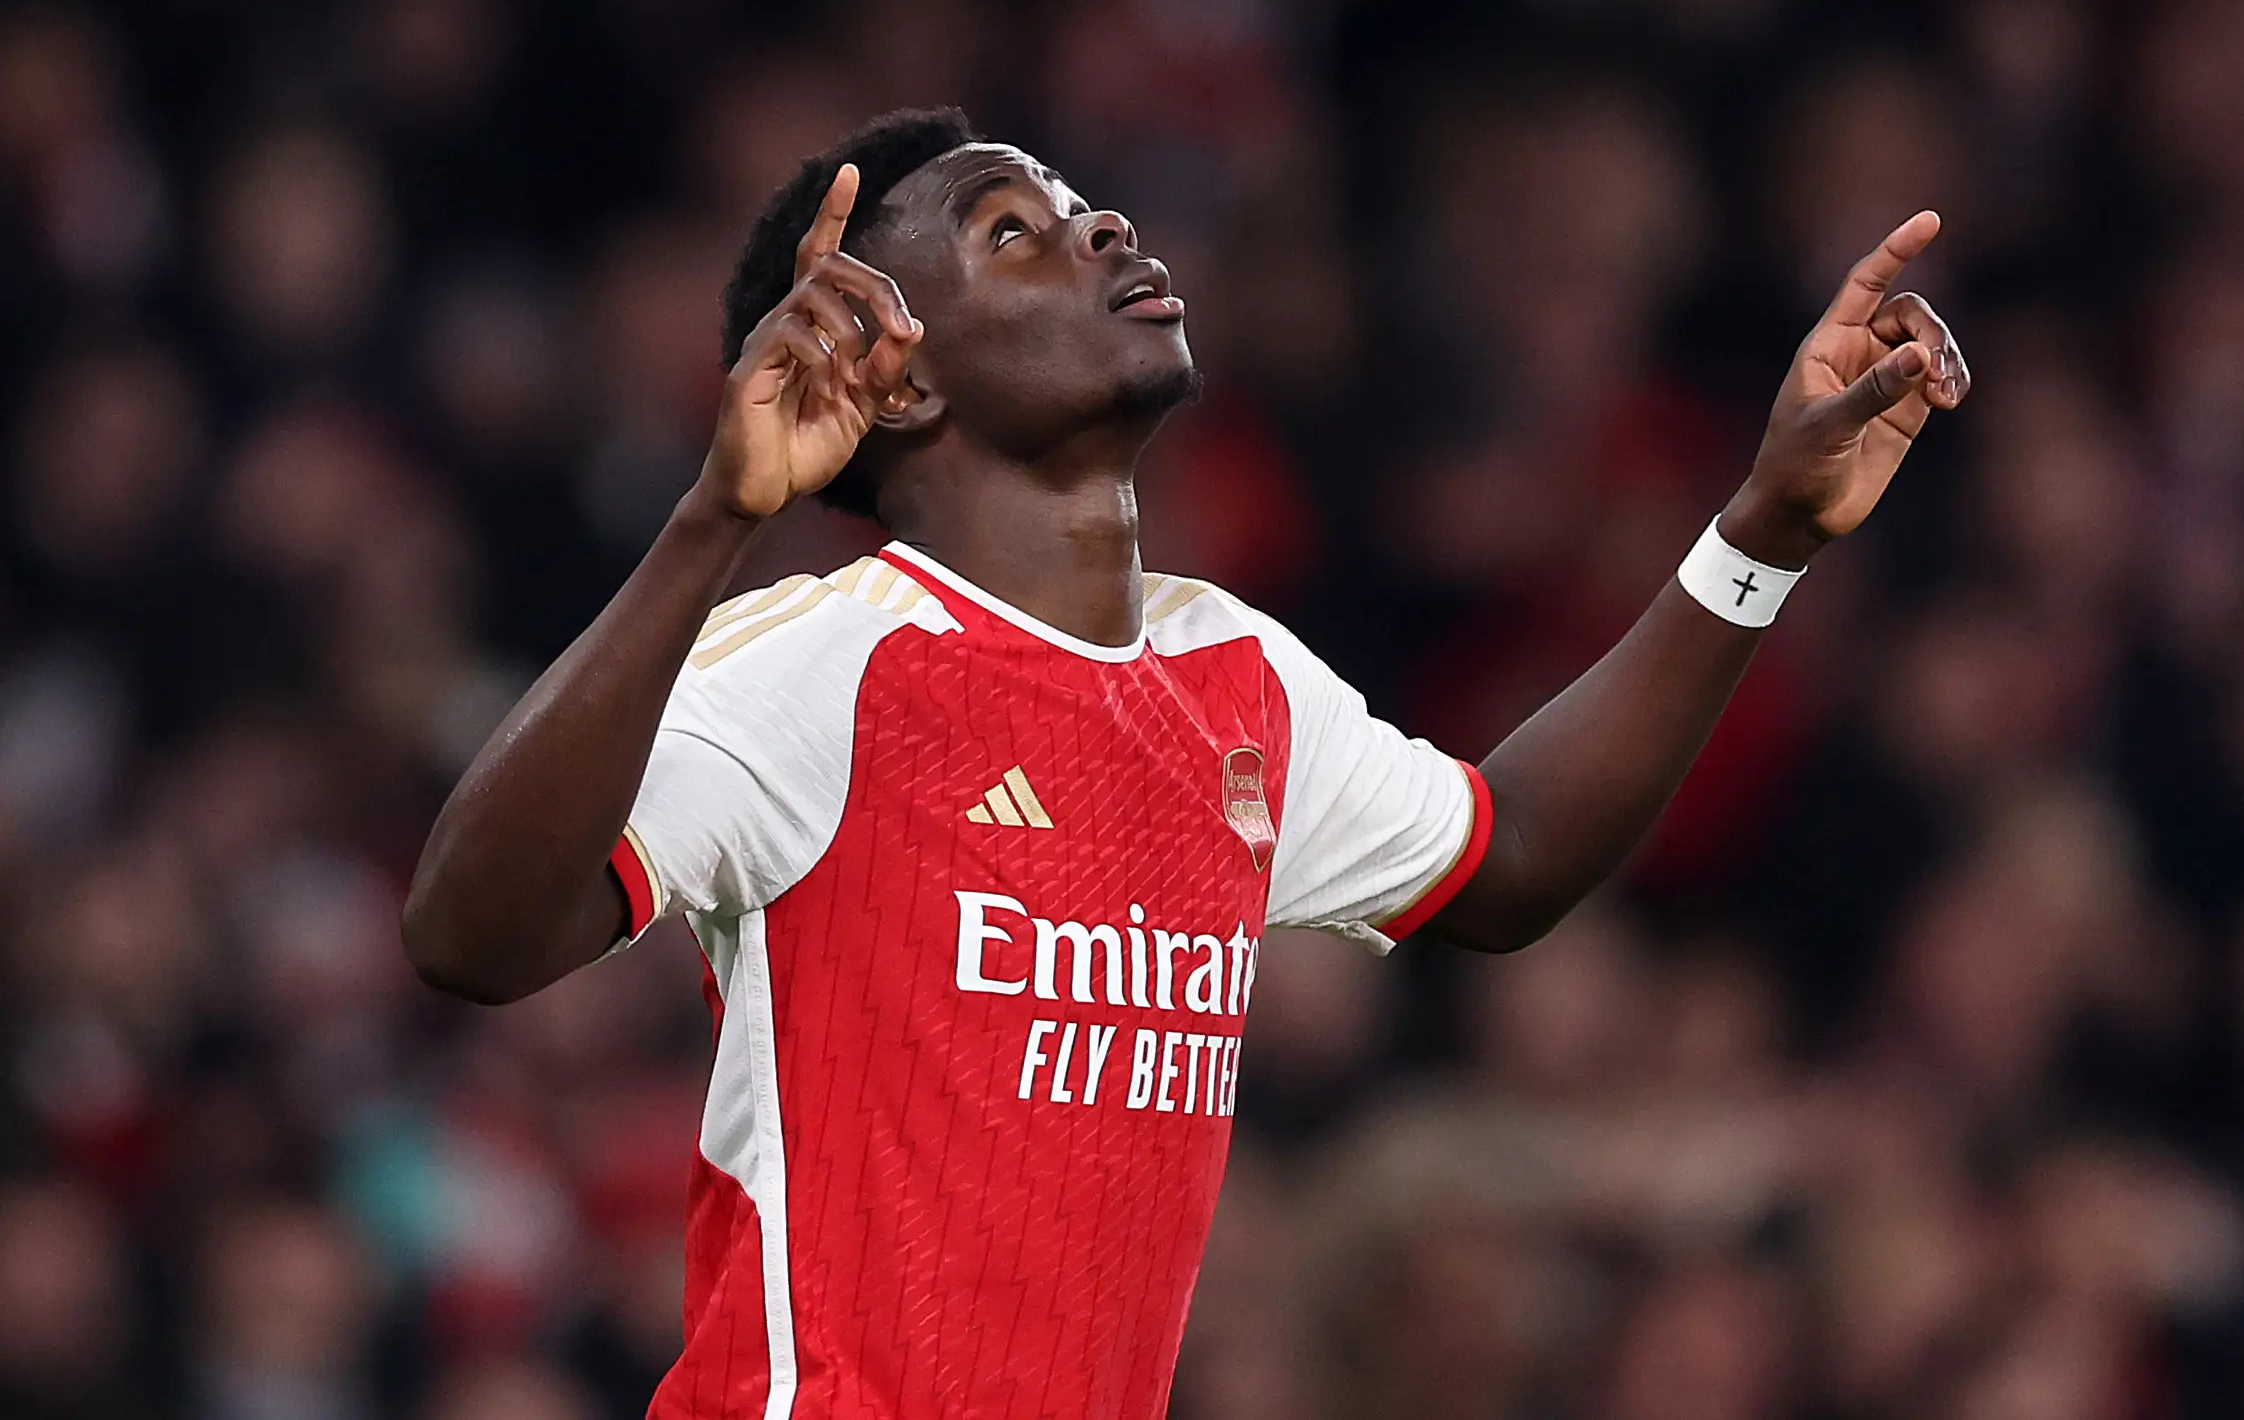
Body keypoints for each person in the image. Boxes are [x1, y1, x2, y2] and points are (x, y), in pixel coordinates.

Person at [400, 107, 1970, 1418]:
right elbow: (470, 934)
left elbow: (1514, 857)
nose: (1098, 229)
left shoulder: (1233, 677)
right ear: (906, 378)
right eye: (1013, 231)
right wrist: (715, 520)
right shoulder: (829, 659)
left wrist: (1761, 532)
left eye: (1084, 206)